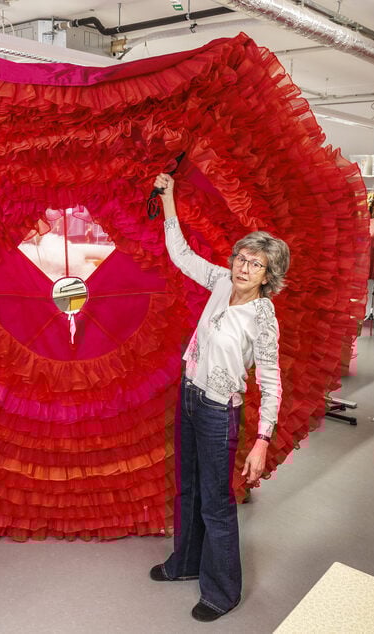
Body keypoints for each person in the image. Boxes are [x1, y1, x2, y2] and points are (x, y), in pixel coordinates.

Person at [148, 172, 289, 622]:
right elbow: (181, 254)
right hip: (189, 395)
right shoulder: (221, 283)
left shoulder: (263, 315)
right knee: (187, 488)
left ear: (269, 276)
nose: (242, 267)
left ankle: (222, 591)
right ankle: (186, 562)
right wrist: (169, 199)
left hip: (217, 410)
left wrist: (263, 440)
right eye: (241, 258)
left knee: (216, 500)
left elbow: (272, 381)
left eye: (255, 264)